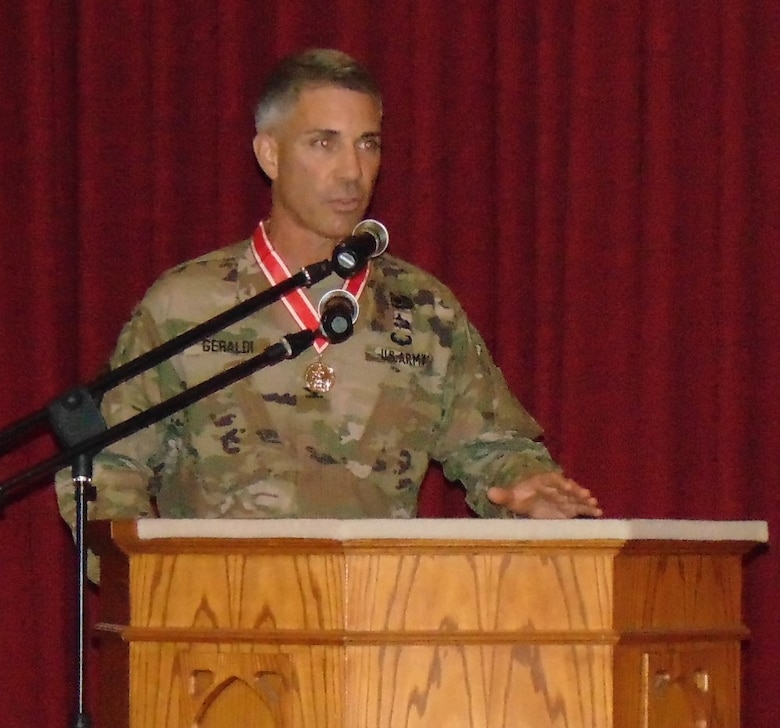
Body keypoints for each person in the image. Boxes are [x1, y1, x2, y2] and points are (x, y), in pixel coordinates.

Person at [56, 48, 601, 540]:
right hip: (218, 626)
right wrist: (154, 584)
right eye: (324, 144)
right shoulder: (188, 306)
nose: (352, 172)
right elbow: (105, 470)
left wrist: (527, 486)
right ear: (269, 155)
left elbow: (495, 448)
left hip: (377, 623)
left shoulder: (423, 309)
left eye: (368, 145)